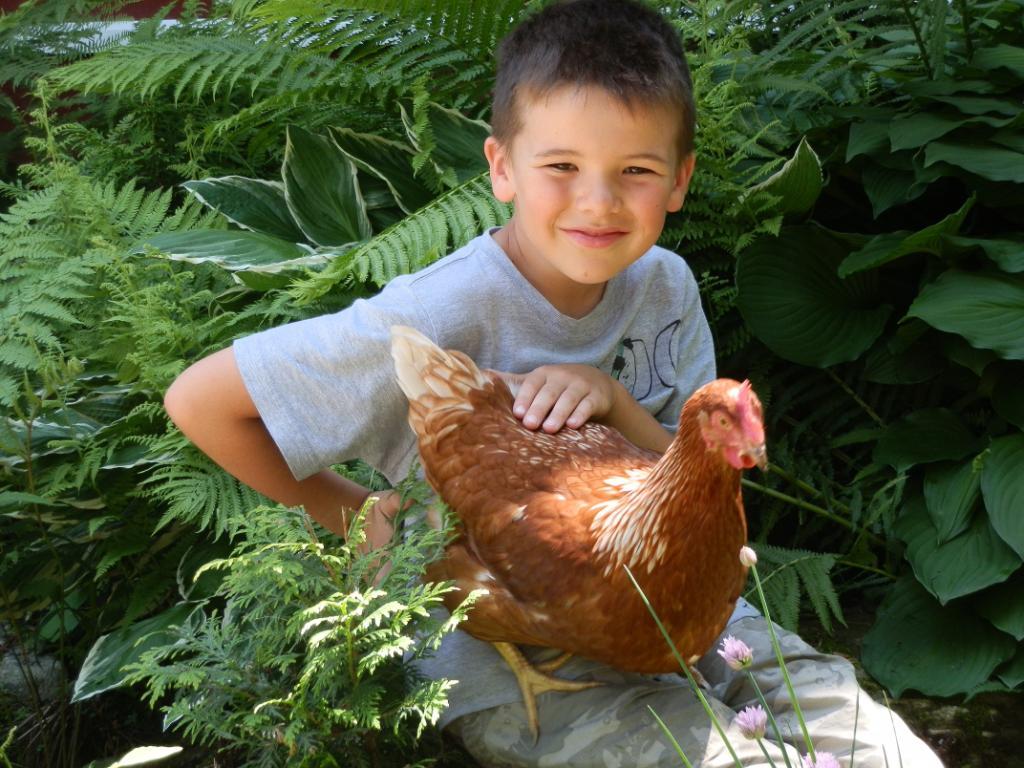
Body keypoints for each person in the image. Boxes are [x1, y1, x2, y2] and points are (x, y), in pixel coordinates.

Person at [163, 1, 944, 765]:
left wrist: (612, 399)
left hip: (682, 613)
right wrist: (363, 515)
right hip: (502, 649)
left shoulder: (665, 286)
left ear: (679, 180)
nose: (598, 201)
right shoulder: (436, 313)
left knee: (878, 749)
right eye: (561, 166)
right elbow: (200, 402)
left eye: (635, 171)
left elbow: (693, 468)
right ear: (500, 166)